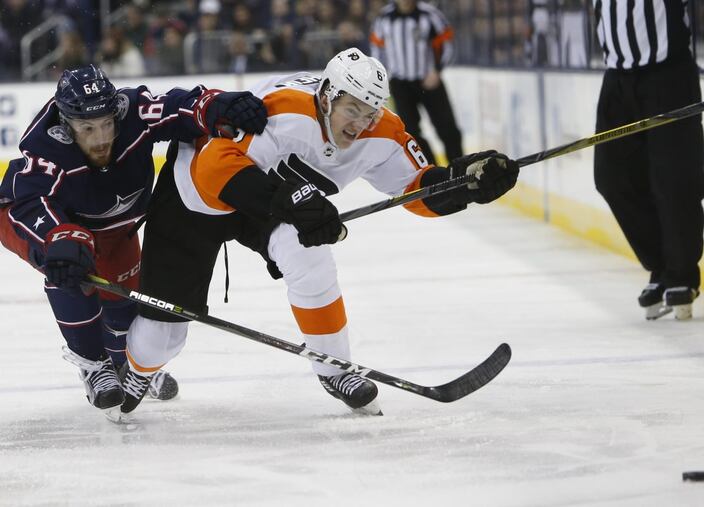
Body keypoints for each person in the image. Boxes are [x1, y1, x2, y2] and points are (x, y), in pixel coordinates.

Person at [118, 47, 519, 417]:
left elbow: (413, 188)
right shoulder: (283, 111)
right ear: (327, 97)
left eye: (371, 112)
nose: (362, 124)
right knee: (161, 338)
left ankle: (335, 367)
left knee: (310, 256)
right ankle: (137, 367)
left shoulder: (384, 131)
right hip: (197, 196)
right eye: (353, 109)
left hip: (270, 199)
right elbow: (212, 168)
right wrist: (291, 199)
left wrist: (460, 184)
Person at [0, 65, 268, 418]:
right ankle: (95, 366)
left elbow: (180, 106)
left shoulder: (134, 111)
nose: (101, 138)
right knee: (70, 268)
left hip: (114, 227)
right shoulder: (45, 145)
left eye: (107, 124)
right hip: (37, 222)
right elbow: (29, 200)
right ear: (67, 125)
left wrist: (217, 106)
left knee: (125, 303)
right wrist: (58, 236)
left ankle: (125, 365)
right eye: (87, 128)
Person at [593, 0, 704, 320]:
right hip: (616, 78)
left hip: (667, 73)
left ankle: (681, 275)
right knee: (611, 178)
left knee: (674, 178)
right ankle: (661, 267)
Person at [369, 0, 463, 166]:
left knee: (448, 129)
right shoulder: (384, 18)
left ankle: (460, 170)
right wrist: (384, 77)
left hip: (429, 81)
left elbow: (448, 43)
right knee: (411, 132)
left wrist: (437, 70)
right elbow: (377, 49)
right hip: (400, 84)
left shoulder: (430, 14)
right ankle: (433, 171)